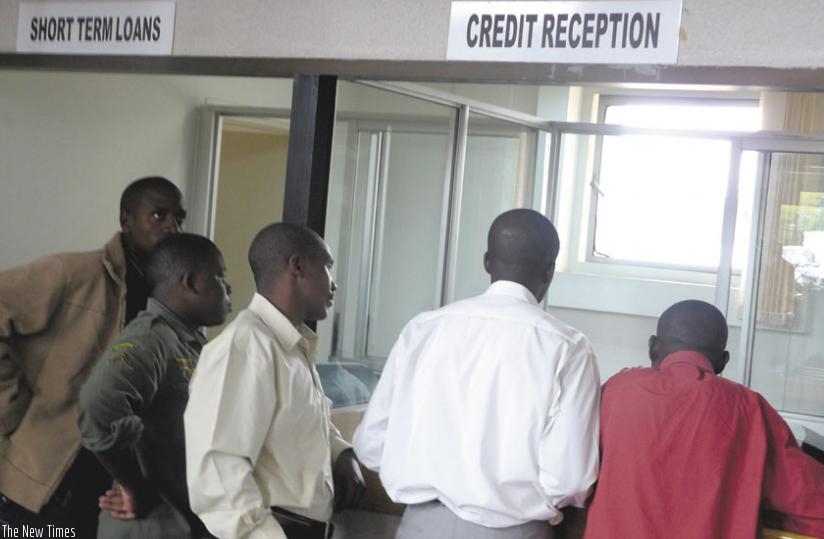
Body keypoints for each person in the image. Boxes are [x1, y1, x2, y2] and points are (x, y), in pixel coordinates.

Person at [354, 208, 601, 539]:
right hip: (514, 530)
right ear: (549, 271)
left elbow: (371, 444)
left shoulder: (423, 329)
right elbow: (570, 478)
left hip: (419, 526)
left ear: (487, 262)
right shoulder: (568, 347)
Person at [0, 176, 185, 536]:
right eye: (159, 215)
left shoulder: (167, 301)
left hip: (110, 489)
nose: (171, 227)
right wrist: (10, 411)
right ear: (126, 219)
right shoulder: (73, 274)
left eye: (178, 218)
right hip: (41, 484)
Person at [584, 300, 824, 539]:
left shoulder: (617, 392)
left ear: (653, 347)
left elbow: (574, 479)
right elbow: (812, 503)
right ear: (723, 361)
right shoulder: (749, 409)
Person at [184, 222, 365, 539]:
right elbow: (218, 472)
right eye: (327, 268)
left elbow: (300, 422)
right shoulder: (245, 348)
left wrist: (341, 452)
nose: (334, 284)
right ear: (297, 266)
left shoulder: (292, 347)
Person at [77, 233, 231, 538]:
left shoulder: (188, 343)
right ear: (190, 282)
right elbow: (96, 409)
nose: (228, 288)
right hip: (153, 526)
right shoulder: (151, 339)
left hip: (186, 522)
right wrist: (136, 486)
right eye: (220, 277)